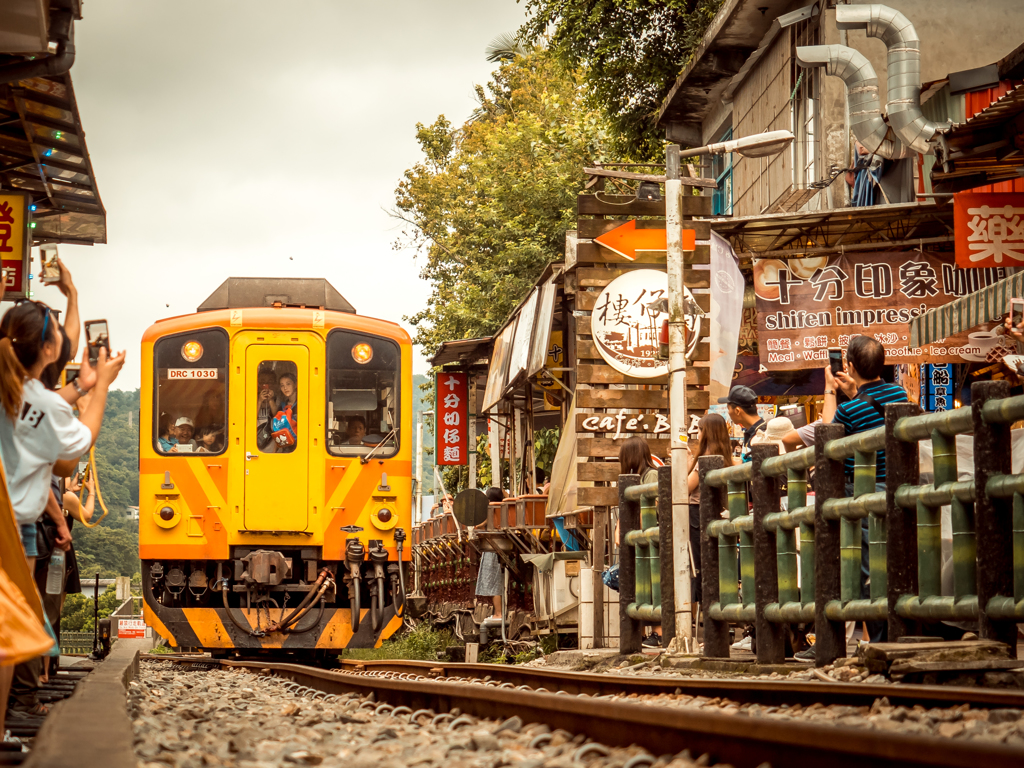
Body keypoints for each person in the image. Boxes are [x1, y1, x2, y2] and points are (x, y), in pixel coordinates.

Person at [0, 301, 124, 718]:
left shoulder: (11, 388)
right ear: (50, 350)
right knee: (12, 631)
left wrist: (81, 387)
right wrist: (101, 386)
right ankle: (6, 724)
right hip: (14, 529)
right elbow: (73, 452)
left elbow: (35, 408)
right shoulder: (43, 403)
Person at [823, 334, 908, 646]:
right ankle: (886, 635)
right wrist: (853, 391)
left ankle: (875, 638)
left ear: (849, 365)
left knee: (865, 566)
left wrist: (832, 391)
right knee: (893, 559)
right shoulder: (900, 393)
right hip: (899, 489)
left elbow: (828, 440)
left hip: (864, 493)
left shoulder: (849, 410)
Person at [686, 413, 735, 613]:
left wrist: (684, 466)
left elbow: (687, 487)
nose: (696, 432)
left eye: (698, 428)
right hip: (719, 514)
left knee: (701, 568)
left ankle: (709, 619)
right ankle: (720, 617)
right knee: (717, 567)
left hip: (698, 515)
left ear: (706, 432)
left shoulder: (704, 457)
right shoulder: (725, 456)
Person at [475, 487, 505, 620]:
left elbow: (479, 525)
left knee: (494, 582)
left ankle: (498, 613)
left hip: (492, 548)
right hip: (503, 547)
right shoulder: (504, 508)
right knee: (498, 581)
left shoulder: (492, 510)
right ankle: (498, 612)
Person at [718, 385, 765, 462]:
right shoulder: (750, 432)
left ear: (737, 411)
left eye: (728, 409)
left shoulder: (762, 435)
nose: (728, 412)